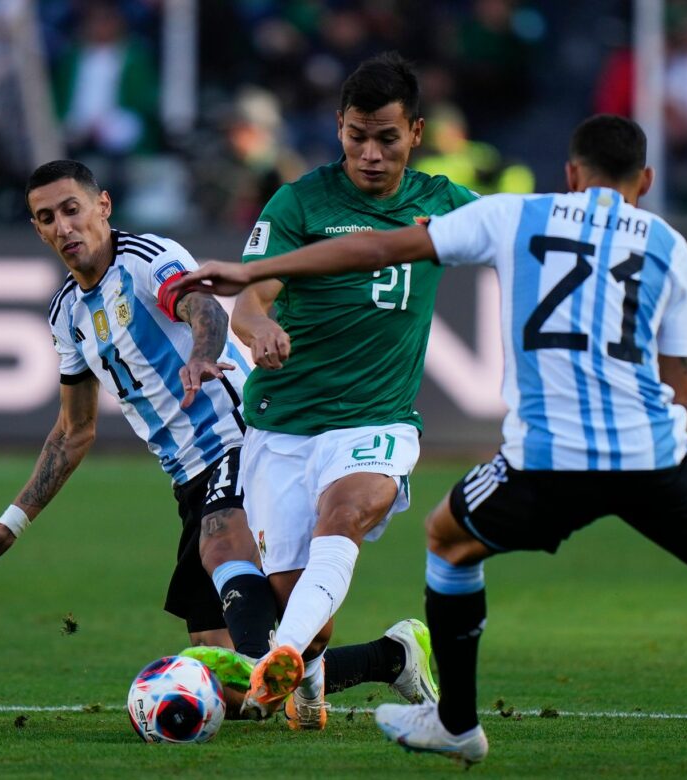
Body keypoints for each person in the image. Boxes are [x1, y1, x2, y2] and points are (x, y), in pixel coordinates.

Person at [169, 115, 687, 778]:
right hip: (657, 459)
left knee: (446, 537)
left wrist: (252, 270)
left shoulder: (518, 215)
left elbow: (378, 250)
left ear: (572, 174)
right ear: (644, 181)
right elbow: (677, 385)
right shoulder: (671, 247)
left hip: (549, 461)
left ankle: (459, 723)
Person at [0, 160, 436, 720]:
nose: (63, 227)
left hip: (238, 438)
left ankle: (296, 673)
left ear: (103, 205)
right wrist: (10, 524)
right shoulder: (67, 314)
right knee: (236, 686)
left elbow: (201, 309)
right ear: (37, 230)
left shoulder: (147, 259)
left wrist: (200, 356)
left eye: (72, 209)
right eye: (46, 218)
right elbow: (74, 431)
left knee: (221, 545)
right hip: (187, 479)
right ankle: (392, 657)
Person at [210, 52, 479, 731]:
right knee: (302, 599)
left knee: (347, 514)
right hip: (284, 422)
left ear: (415, 132)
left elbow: (544, 235)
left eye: (386, 137)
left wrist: (663, 251)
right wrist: (260, 326)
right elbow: (246, 301)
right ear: (338, 128)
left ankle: (282, 658)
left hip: (376, 419)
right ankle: (388, 653)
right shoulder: (300, 201)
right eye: (356, 135)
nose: (369, 153)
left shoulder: (445, 204)